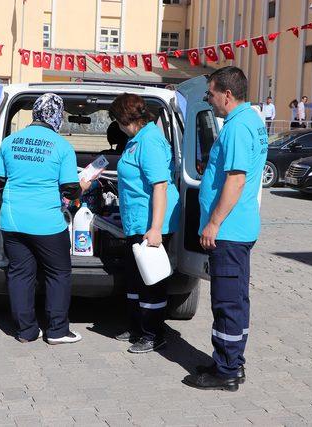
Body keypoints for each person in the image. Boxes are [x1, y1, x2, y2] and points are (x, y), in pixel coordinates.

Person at [183, 66, 267, 391]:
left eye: (210, 92)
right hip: (239, 229)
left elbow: (236, 179)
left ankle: (227, 371)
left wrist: (213, 223)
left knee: (227, 302)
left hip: (229, 231)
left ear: (227, 95)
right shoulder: (249, 122)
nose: (208, 98)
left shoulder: (237, 129)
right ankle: (229, 361)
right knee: (236, 300)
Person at [0, 93, 91, 345]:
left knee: (20, 274)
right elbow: (69, 189)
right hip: (47, 224)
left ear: (36, 113)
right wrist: (84, 186)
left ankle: (26, 331)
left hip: (12, 221)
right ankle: (57, 331)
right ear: (56, 116)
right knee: (58, 273)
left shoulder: (9, 142)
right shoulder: (61, 146)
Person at [109, 93, 180, 354]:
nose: (116, 124)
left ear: (125, 118)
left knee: (151, 281)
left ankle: (153, 334)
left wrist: (156, 229)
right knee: (135, 278)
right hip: (136, 221)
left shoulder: (149, 140)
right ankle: (137, 327)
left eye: (117, 119)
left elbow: (159, 186)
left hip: (150, 223)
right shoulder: (135, 140)